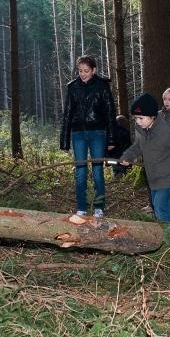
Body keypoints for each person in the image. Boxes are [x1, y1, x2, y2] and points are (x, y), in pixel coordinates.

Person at [120, 93, 170, 224]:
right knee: (162, 205)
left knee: (159, 207)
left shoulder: (166, 130)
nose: (138, 122)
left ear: (152, 116)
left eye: (141, 118)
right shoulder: (142, 130)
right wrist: (127, 157)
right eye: (136, 118)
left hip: (169, 174)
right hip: (153, 176)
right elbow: (137, 147)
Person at [60, 55, 117, 218]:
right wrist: (64, 141)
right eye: (80, 71)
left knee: (98, 171)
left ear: (94, 70)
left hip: (98, 133)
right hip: (78, 134)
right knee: (80, 172)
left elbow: (110, 113)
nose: (83, 74)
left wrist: (112, 139)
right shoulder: (72, 87)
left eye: (86, 71)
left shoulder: (102, 86)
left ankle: (99, 207)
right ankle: (81, 207)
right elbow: (67, 114)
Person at [106, 115, 131, 179]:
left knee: (116, 168)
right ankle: (119, 174)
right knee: (119, 168)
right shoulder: (125, 132)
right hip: (120, 157)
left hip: (114, 157)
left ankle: (118, 174)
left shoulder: (111, 132)